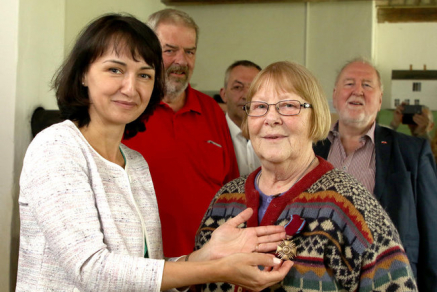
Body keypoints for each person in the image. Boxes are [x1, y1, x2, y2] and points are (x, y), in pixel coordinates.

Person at [15, 14, 294, 291]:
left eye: (145, 75)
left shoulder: (135, 164)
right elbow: (92, 270)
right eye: (115, 69)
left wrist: (206, 254)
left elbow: (146, 269)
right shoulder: (57, 147)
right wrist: (216, 269)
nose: (130, 87)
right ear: (84, 74)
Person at [195, 61, 417, 291]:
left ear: (315, 116)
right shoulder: (224, 201)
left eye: (288, 105)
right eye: (260, 106)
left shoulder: (350, 205)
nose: (271, 118)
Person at [122, 9, 239, 257]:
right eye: (170, 50)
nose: (182, 61)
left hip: (208, 266)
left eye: (190, 51)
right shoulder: (126, 109)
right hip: (145, 268)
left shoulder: (212, 111)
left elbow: (232, 191)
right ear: (146, 50)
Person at [313, 58, 437, 291]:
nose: (357, 90)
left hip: (389, 279)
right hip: (318, 279)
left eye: (367, 85)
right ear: (335, 95)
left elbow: (432, 232)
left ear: (380, 100)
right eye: (349, 83)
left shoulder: (412, 152)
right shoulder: (308, 150)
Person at [220, 60, 262, 176]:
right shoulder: (211, 137)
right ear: (224, 95)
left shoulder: (278, 137)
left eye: (254, 88)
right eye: (238, 87)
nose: (246, 96)